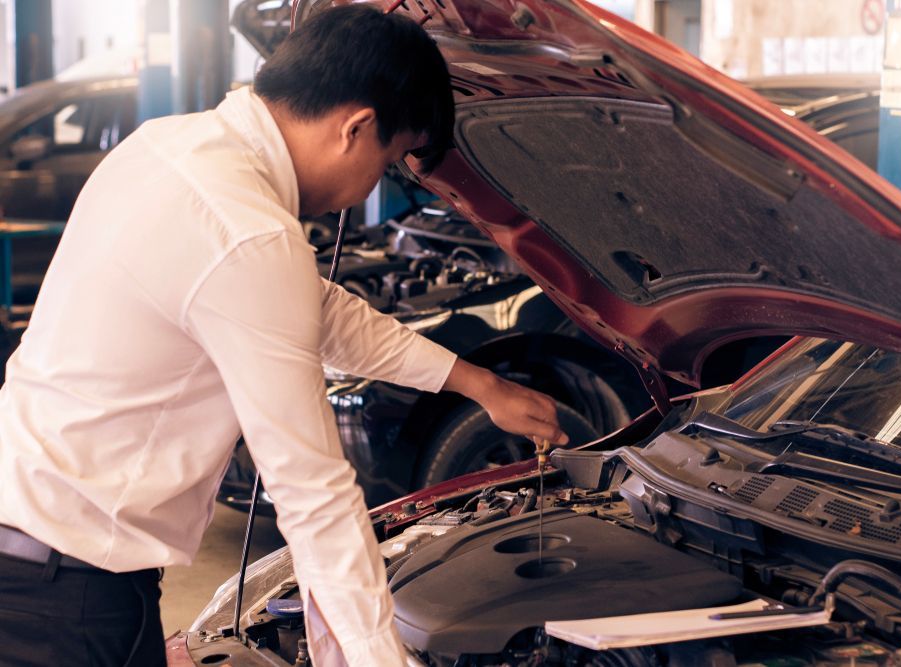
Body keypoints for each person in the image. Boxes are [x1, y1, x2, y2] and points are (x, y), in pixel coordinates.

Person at [0, 5, 567, 666]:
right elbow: (312, 494)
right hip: (69, 598)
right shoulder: (248, 234)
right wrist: (377, 655)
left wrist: (477, 382)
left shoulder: (167, 146)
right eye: (387, 162)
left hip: (30, 550)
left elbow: (311, 307)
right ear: (356, 127)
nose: (367, 189)